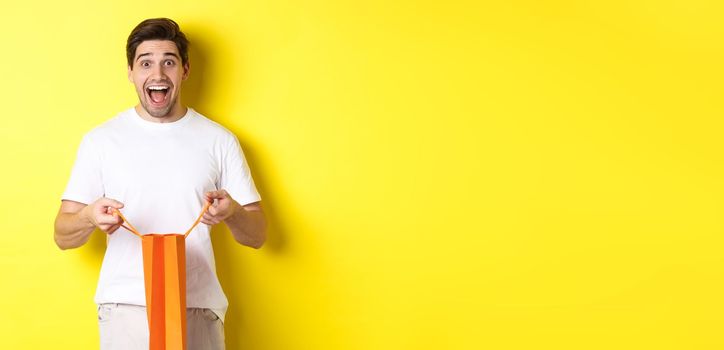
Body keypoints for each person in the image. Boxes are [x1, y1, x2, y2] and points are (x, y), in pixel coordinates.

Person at [53, 18, 266, 350]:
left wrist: (232, 212)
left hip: (197, 307)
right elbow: (62, 235)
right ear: (131, 72)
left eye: (169, 61)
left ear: (185, 70)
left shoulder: (219, 140)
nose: (158, 74)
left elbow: (258, 235)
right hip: (126, 309)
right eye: (146, 63)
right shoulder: (101, 141)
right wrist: (89, 217)